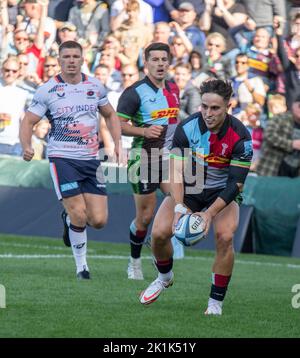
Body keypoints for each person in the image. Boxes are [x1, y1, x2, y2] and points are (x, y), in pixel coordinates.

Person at [139, 79, 253, 315]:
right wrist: (180, 207)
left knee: (225, 236)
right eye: (204, 107)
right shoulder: (187, 127)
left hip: (222, 193)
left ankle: (215, 303)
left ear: (228, 107)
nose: (208, 113)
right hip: (190, 189)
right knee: (159, 234)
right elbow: (177, 171)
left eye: (215, 108)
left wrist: (209, 214)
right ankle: (164, 277)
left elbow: (236, 184)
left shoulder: (241, 136)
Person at [20, 40, 121, 279]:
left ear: (83, 59)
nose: (71, 60)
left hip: (90, 159)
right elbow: (28, 121)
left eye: (76, 56)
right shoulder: (47, 89)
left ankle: (67, 220)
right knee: (79, 213)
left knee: (98, 220)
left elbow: (110, 114)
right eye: (67, 57)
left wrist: (117, 145)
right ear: (59, 60)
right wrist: (26, 145)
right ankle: (82, 267)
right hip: (62, 157)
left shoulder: (95, 86)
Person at [117, 42, 180, 280]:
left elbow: (174, 125)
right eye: (155, 59)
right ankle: (134, 262)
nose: (160, 64)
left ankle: (160, 251)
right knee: (144, 217)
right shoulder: (134, 92)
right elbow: (118, 124)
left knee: (179, 201)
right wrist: (144, 132)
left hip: (167, 159)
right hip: (143, 158)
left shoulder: (174, 89)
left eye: (164, 59)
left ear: (169, 62)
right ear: (146, 63)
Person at [256, 95, 300, 178]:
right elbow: (269, 136)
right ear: (293, 105)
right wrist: (292, 144)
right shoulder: (280, 118)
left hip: (294, 178)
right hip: (271, 172)